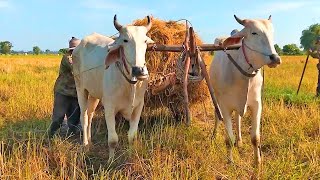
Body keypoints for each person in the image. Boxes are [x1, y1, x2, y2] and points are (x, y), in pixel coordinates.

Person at [48, 37, 81, 138]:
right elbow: (76, 69)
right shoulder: (67, 57)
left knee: (74, 118)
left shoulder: (82, 57)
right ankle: (51, 135)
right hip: (63, 91)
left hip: (75, 92)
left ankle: (71, 136)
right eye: (73, 50)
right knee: (58, 117)